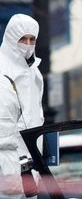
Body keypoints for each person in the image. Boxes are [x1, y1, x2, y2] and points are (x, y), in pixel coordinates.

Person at [0, 14, 44, 161]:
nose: (28, 44)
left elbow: (37, 115)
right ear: (12, 39)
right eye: (23, 39)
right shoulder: (3, 69)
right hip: (8, 155)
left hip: (33, 153)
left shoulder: (34, 72)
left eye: (32, 39)